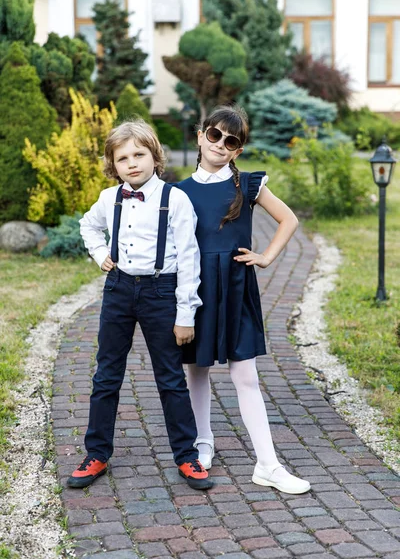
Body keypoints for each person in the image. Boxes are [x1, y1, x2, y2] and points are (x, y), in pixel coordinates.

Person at [67, 119, 213, 491]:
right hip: (118, 290)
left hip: (161, 293)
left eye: (139, 154)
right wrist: (100, 252)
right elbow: (88, 225)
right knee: (106, 375)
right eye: (122, 158)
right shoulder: (108, 198)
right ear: (113, 165)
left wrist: (185, 315)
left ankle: (187, 455)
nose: (132, 163)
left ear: (155, 156)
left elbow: (190, 259)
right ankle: (97, 452)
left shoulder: (174, 199)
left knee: (169, 377)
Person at [178, 105, 310, 494]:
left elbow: (289, 219)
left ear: (237, 150)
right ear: (201, 136)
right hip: (198, 289)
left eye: (230, 141)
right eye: (215, 135)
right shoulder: (178, 193)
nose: (221, 145)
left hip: (235, 288)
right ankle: (203, 445)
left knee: (245, 374)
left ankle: (267, 464)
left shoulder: (248, 185)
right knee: (196, 370)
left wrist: (265, 257)